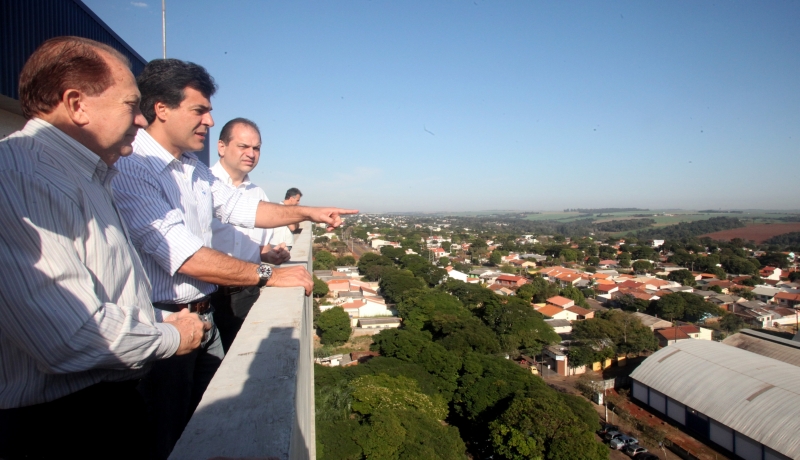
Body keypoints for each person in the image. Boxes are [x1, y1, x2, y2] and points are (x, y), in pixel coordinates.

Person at [111, 58, 356, 459]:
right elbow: (183, 254)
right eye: (199, 110)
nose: (208, 121)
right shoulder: (136, 165)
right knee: (169, 438)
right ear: (161, 109)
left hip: (203, 319)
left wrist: (308, 212)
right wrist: (268, 275)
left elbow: (248, 211)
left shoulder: (191, 169)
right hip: (162, 323)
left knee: (213, 427)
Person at [0, 36, 205, 460]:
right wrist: (170, 335)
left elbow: (103, 292)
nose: (142, 121)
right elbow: (68, 335)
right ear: (77, 104)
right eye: (131, 105)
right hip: (61, 426)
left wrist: (159, 319)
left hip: (98, 409)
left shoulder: (85, 176)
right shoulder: (21, 174)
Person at [209, 117, 290, 351]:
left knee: (243, 357)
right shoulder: (199, 184)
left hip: (247, 291)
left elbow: (258, 248)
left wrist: (270, 255)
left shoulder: (259, 195)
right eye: (243, 146)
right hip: (208, 294)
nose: (251, 154)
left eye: (256, 148)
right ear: (221, 147)